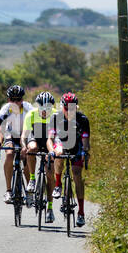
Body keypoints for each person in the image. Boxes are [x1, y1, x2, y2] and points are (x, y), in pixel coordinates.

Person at [50, 91, 90, 226]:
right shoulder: (56, 117)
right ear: (62, 107)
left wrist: (85, 151)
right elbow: (51, 139)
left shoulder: (83, 119)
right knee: (59, 153)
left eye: (72, 108)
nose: (69, 111)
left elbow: (85, 141)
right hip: (60, 143)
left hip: (76, 146)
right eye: (67, 108)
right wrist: (52, 150)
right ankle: (57, 184)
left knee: (77, 173)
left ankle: (81, 213)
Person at [22, 91, 56, 223]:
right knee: (32, 149)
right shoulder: (31, 114)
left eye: (48, 108)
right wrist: (24, 145)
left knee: (49, 175)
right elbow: (25, 134)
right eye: (42, 107)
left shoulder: (56, 115)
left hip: (49, 143)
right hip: (35, 139)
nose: (44, 111)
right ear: (38, 106)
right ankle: (32, 179)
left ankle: (50, 208)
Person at [0, 84, 33, 204]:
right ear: (9, 100)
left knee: (25, 158)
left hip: (25, 135)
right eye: (13, 99)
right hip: (10, 135)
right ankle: (9, 191)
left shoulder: (28, 108)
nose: (16, 102)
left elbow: (35, 126)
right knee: (9, 154)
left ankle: (29, 191)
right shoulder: (5, 109)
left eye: (19, 99)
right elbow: (0, 129)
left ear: (23, 99)